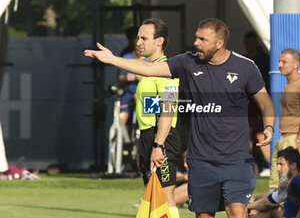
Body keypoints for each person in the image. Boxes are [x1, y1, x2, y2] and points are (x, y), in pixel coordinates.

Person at [85, 18, 276, 218]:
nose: (196, 43)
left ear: (219, 43)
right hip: (201, 160)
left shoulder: (245, 67)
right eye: (196, 37)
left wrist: (269, 127)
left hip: (236, 159)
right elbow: (149, 70)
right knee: (203, 215)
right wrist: (112, 59)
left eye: (202, 39)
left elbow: (266, 103)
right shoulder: (187, 62)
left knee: (236, 212)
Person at [132, 18, 182, 218]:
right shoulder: (147, 70)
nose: (138, 42)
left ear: (159, 41)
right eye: (138, 37)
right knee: (153, 194)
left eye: (144, 38)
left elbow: (168, 110)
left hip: (162, 138)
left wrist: (158, 145)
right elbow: (150, 110)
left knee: (166, 195)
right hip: (148, 136)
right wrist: (143, 145)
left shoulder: (167, 71)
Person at [269, 48, 300, 190]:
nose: (279, 65)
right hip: (284, 137)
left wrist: (299, 141)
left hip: (295, 139)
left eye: (284, 62)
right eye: (279, 61)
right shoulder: (289, 84)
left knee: (294, 185)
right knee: (275, 184)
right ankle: (274, 211)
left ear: (296, 64)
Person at [244, 31, 271, 177]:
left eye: (251, 42)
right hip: (247, 102)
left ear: (256, 42)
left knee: (261, 134)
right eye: (247, 43)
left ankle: (270, 166)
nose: (249, 45)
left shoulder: (266, 60)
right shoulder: (245, 60)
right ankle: (248, 167)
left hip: (261, 102)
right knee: (244, 134)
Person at [248, 146, 300, 218]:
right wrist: (253, 199)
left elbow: (267, 203)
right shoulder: (286, 183)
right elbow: (271, 195)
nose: (277, 169)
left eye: (281, 164)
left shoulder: (295, 183)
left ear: (293, 165)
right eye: (277, 164)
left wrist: (244, 206)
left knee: (271, 210)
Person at [118, 26, 143, 125]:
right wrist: (127, 77)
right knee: (123, 113)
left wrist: (141, 77)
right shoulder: (126, 56)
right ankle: (121, 136)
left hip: (145, 93)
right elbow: (120, 78)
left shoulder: (150, 58)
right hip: (129, 91)